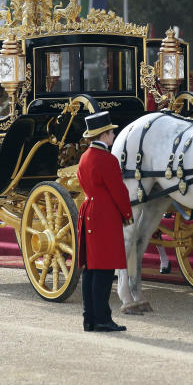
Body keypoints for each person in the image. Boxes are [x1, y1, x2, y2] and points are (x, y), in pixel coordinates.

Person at [76, 111, 132, 332]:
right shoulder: (107, 159)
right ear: (104, 135)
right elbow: (119, 192)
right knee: (104, 271)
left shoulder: (84, 157)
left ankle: (89, 317)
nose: (113, 135)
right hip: (105, 215)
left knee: (90, 269)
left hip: (89, 210)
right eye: (111, 132)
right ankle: (102, 318)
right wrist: (127, 214)